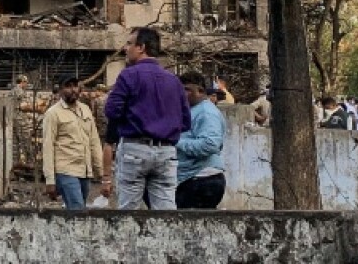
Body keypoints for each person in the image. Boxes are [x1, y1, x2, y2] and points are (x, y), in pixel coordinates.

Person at [104, 27, 191, 210]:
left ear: (141, 47)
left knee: (128, 212)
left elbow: (112, 110)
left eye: (129, 44)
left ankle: (130, 239)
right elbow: (185, 121)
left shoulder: (129, 75)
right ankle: (166, 239)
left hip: (135, 148)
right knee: (166, 213)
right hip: (166, 151)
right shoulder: (174, 80)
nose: (125, 48)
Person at [42, 76, 107, 211]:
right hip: (65, 170)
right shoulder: (53, 113)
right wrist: (50, 180)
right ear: (60, 90)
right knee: (77, 209)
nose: (73, 90)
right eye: (68, 86)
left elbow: (94, 141)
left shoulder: (86, 110)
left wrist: (102, 173)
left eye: (75, 86)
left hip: (84, 171)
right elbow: (48, 147)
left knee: (77, 211)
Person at [175, 72, 226, 209]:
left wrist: (176, 141)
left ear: (201, 91)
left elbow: (210, 145)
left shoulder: (206, 112)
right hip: (192, 178)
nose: (182, 94)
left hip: (202, 179)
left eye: (187, 90)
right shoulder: (193, 110)